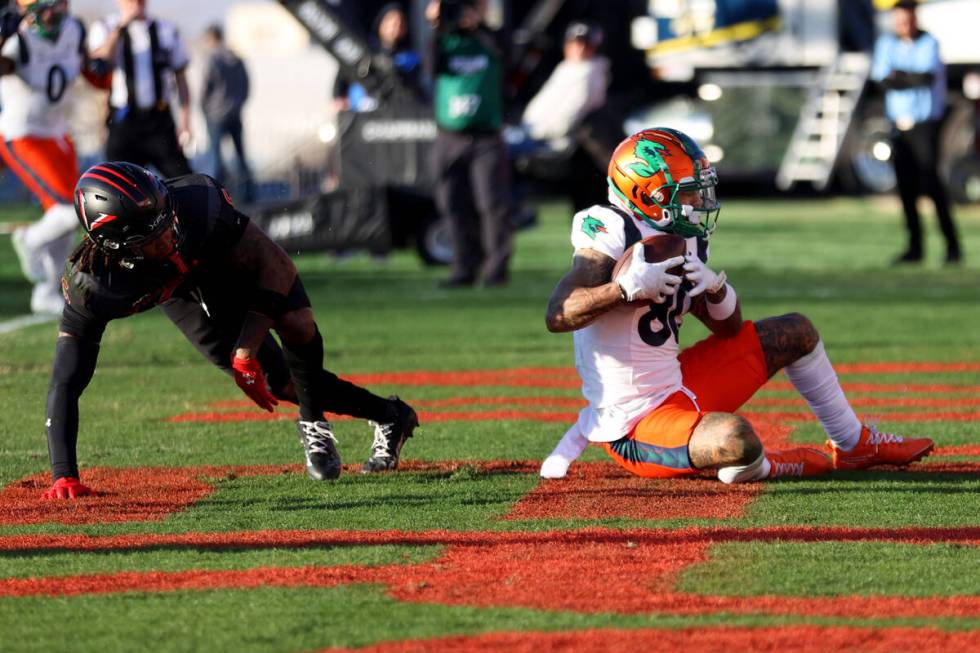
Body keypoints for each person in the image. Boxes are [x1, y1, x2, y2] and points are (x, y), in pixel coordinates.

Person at [540, 127, 935, 483]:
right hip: (633, 423)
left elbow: (729, 330)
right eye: (688, 191)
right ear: (649, 195)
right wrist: (622, 290)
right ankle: (769, 465)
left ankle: (853, 444)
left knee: (795, 331)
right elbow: (558, 313)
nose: (698, 200)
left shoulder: (679, 234)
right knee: (735, 437)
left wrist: (713, 289)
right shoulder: (612, 229)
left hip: (680, 384)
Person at [39, 162, 419, 499]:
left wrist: (245, 350)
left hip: (219, 261)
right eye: (154, 239)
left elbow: (278, 267)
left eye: (167, 221)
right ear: (120, 248)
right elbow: (66, 381)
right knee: (279, 383)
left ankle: (312, 418)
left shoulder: (194, 206)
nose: (170, 234)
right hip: (178, 292)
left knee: (296, 322)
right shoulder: (95, 285)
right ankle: (389, 414)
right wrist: (64, 474)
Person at [0, 0, 106, 315]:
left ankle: (47, 289)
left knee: (66, 219)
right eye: (43, 8)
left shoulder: (74, 30)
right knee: (70, 211)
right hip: (23, 134)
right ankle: (29, 240)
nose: (51, 14)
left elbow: (92, 71)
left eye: (56, 5)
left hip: (59, 133)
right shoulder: (18, 38)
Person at [427, 0, 512, 287]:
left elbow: (505, 52)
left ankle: (496, 270)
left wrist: (478, 23)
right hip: (449, 137)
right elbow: (429, 66)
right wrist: (438, 24)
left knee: (491, 205)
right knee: (452, 204)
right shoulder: (445, 42)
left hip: (485, 138)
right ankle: (463, 268)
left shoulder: (490, 39)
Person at [871, 0, 961, 265]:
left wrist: (899, 76)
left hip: (924, 124)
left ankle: (952, 246)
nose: (904, 25)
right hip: (899, 123)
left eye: (908, 19)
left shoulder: (928, 43)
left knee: (932, 183)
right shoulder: (887, 44)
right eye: (899, 20)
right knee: (906, 188)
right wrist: (905, 78)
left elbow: (925, 78)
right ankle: (915, 247)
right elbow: (883, 81)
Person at [87, 0, 192, 178]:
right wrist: (121, 27)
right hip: (124, 120)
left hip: (159, 120)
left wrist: (186, 123)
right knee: (119, 184)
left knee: (184, 180)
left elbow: (181, 80)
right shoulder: (106, 26)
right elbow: (99, 62)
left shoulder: (166, 30)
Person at [508, 21, 610, 156]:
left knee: (496, 148)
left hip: (550, 141)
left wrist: (535, 131)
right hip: (530, 130)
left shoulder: (592, 73)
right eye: (576, 43)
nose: (580, 49)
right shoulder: (567, 67)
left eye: (586, 45)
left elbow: (566, 120)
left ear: (594, 48)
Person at [331, 3, 423, 113]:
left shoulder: (410, 58)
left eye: (400, 23)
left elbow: (410, 87)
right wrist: (339, 97)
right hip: (358, 114)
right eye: (391, 22)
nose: (395, 27)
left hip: (390, 116)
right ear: (381, 24)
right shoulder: (364, 50)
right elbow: (344, 72)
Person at [200, 24, 253, 201]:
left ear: (211, 38)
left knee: (215, 157)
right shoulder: (236, 58)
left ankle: (217, 198)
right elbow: (246, 86)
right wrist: (238, 104)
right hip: (235, 113)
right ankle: (248, 194)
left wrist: (204, 108)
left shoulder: (213, 59)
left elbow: (206, 88)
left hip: (216, 115)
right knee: (240, 156)